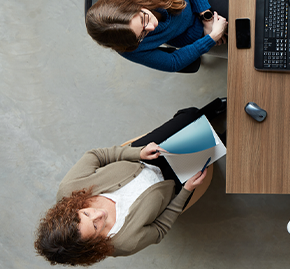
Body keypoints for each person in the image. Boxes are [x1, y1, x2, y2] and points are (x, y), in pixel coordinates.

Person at [34, 98, 226, 266]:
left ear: (71, 210)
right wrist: (185, 191)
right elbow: (159, 230)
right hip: (170, 183)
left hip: (142, 158)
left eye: (86, 213)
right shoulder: (123, 243)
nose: (99, 215)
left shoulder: (69, 190)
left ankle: (214, 108)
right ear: (90, 246)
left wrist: (137, 153)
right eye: (95, 227)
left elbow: (95, 156)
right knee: (216, 145)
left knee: (190, 116)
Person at [85, 0, 227, 72]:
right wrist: (211, 38)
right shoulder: (129, 47)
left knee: (241, 16)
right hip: (189, 34)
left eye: (143, 19)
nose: (152, 27)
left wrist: (206, 18)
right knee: (241, 38)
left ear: (134, 4)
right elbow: (173, 62)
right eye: (141, 35)